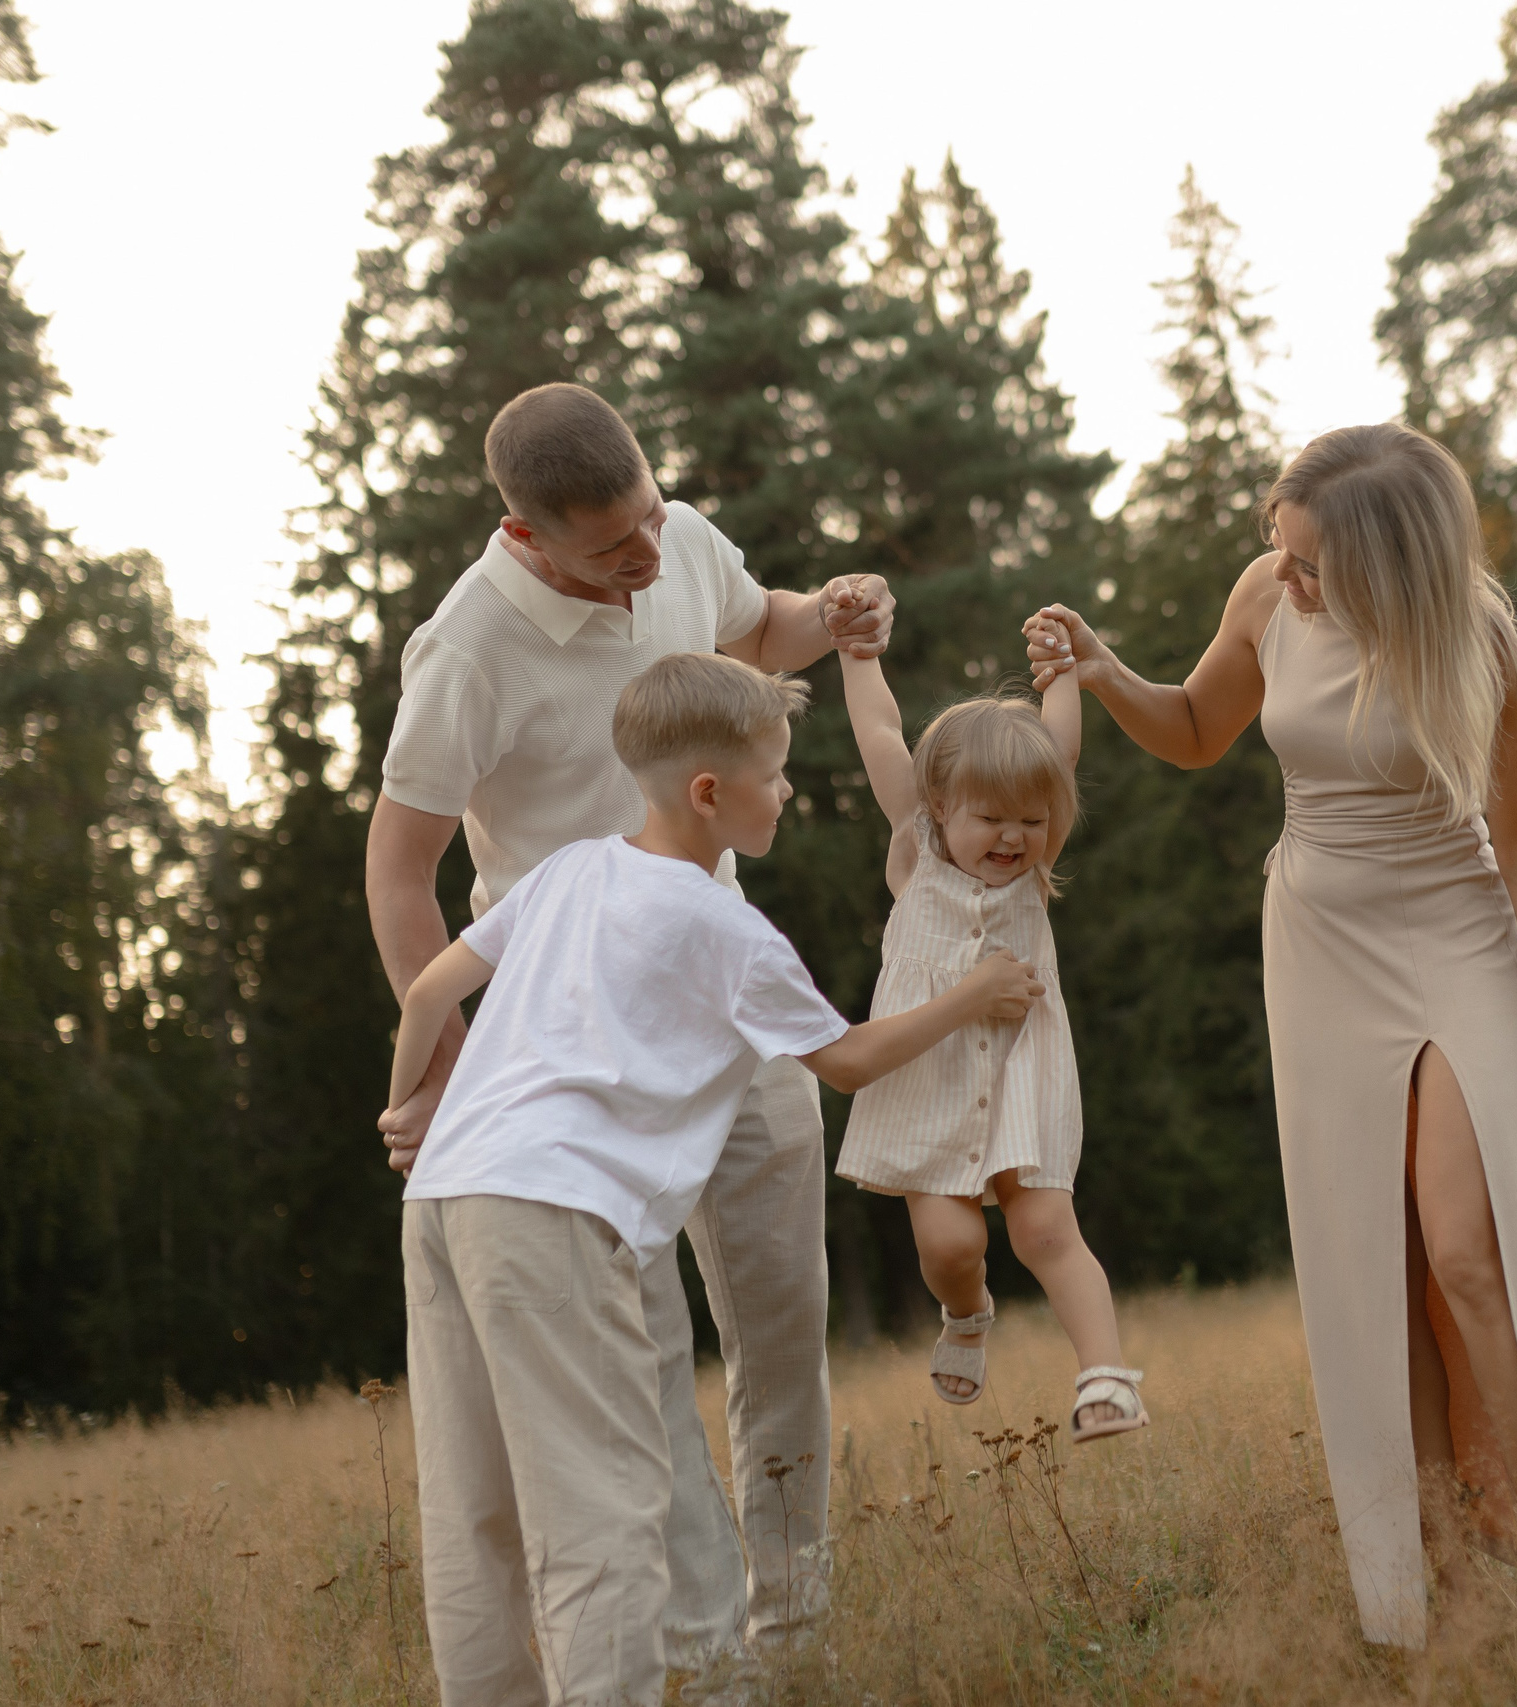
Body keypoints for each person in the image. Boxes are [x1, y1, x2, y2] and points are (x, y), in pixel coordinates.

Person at [1023, 422, 1517, 1637]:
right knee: (1370, 1261)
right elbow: (1193, 728)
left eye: (1308, 565)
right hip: (1318, 945)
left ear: (1392, 566)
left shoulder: (1477, 635)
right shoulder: (1267, 591)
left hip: (1454, 934)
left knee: (1464, 1246)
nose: (1285, 580)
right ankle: (1433, 1575)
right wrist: (1101, 669)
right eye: (1281, 555)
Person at [386, 652, 1044, 1707]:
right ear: (710, 795)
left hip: (445, 1195)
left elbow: (428, 992)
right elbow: (849, 1059)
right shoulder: (730, 930)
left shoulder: (566, 870)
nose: (784, 790)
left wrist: (410, 1107)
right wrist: (974, 994)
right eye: (775, 774)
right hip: (552, 1212)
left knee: (473, 1512)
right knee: (604, 1517)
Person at [367, 382, 893, 1652]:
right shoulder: (465, 649)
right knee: (642, 1361)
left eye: (652, 517)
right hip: (571, 1046)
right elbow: (400, 867)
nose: (647, 555)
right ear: (527, 535)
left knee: (779, 1322)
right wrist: (439, 1072)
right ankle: (701, 1660)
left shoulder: (677, 541)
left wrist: (835, 613)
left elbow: (756, 630)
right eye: (613, 546)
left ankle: (794, 1634)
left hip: (723, 991)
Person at [830, 627, 1146, 1441]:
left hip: (1022, 1067)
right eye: (991, 818)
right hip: (927, 1067)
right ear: (941, 807)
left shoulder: (1033, 869)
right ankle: (967, 1315)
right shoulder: (918, 851)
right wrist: (857, 652)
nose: (1012, 837)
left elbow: (1061, 751)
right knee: (949, 1242)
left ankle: (1105, 1376)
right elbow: (876, 732)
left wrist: (1065, 671)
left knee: (1043, 1226)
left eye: (1030, 821)